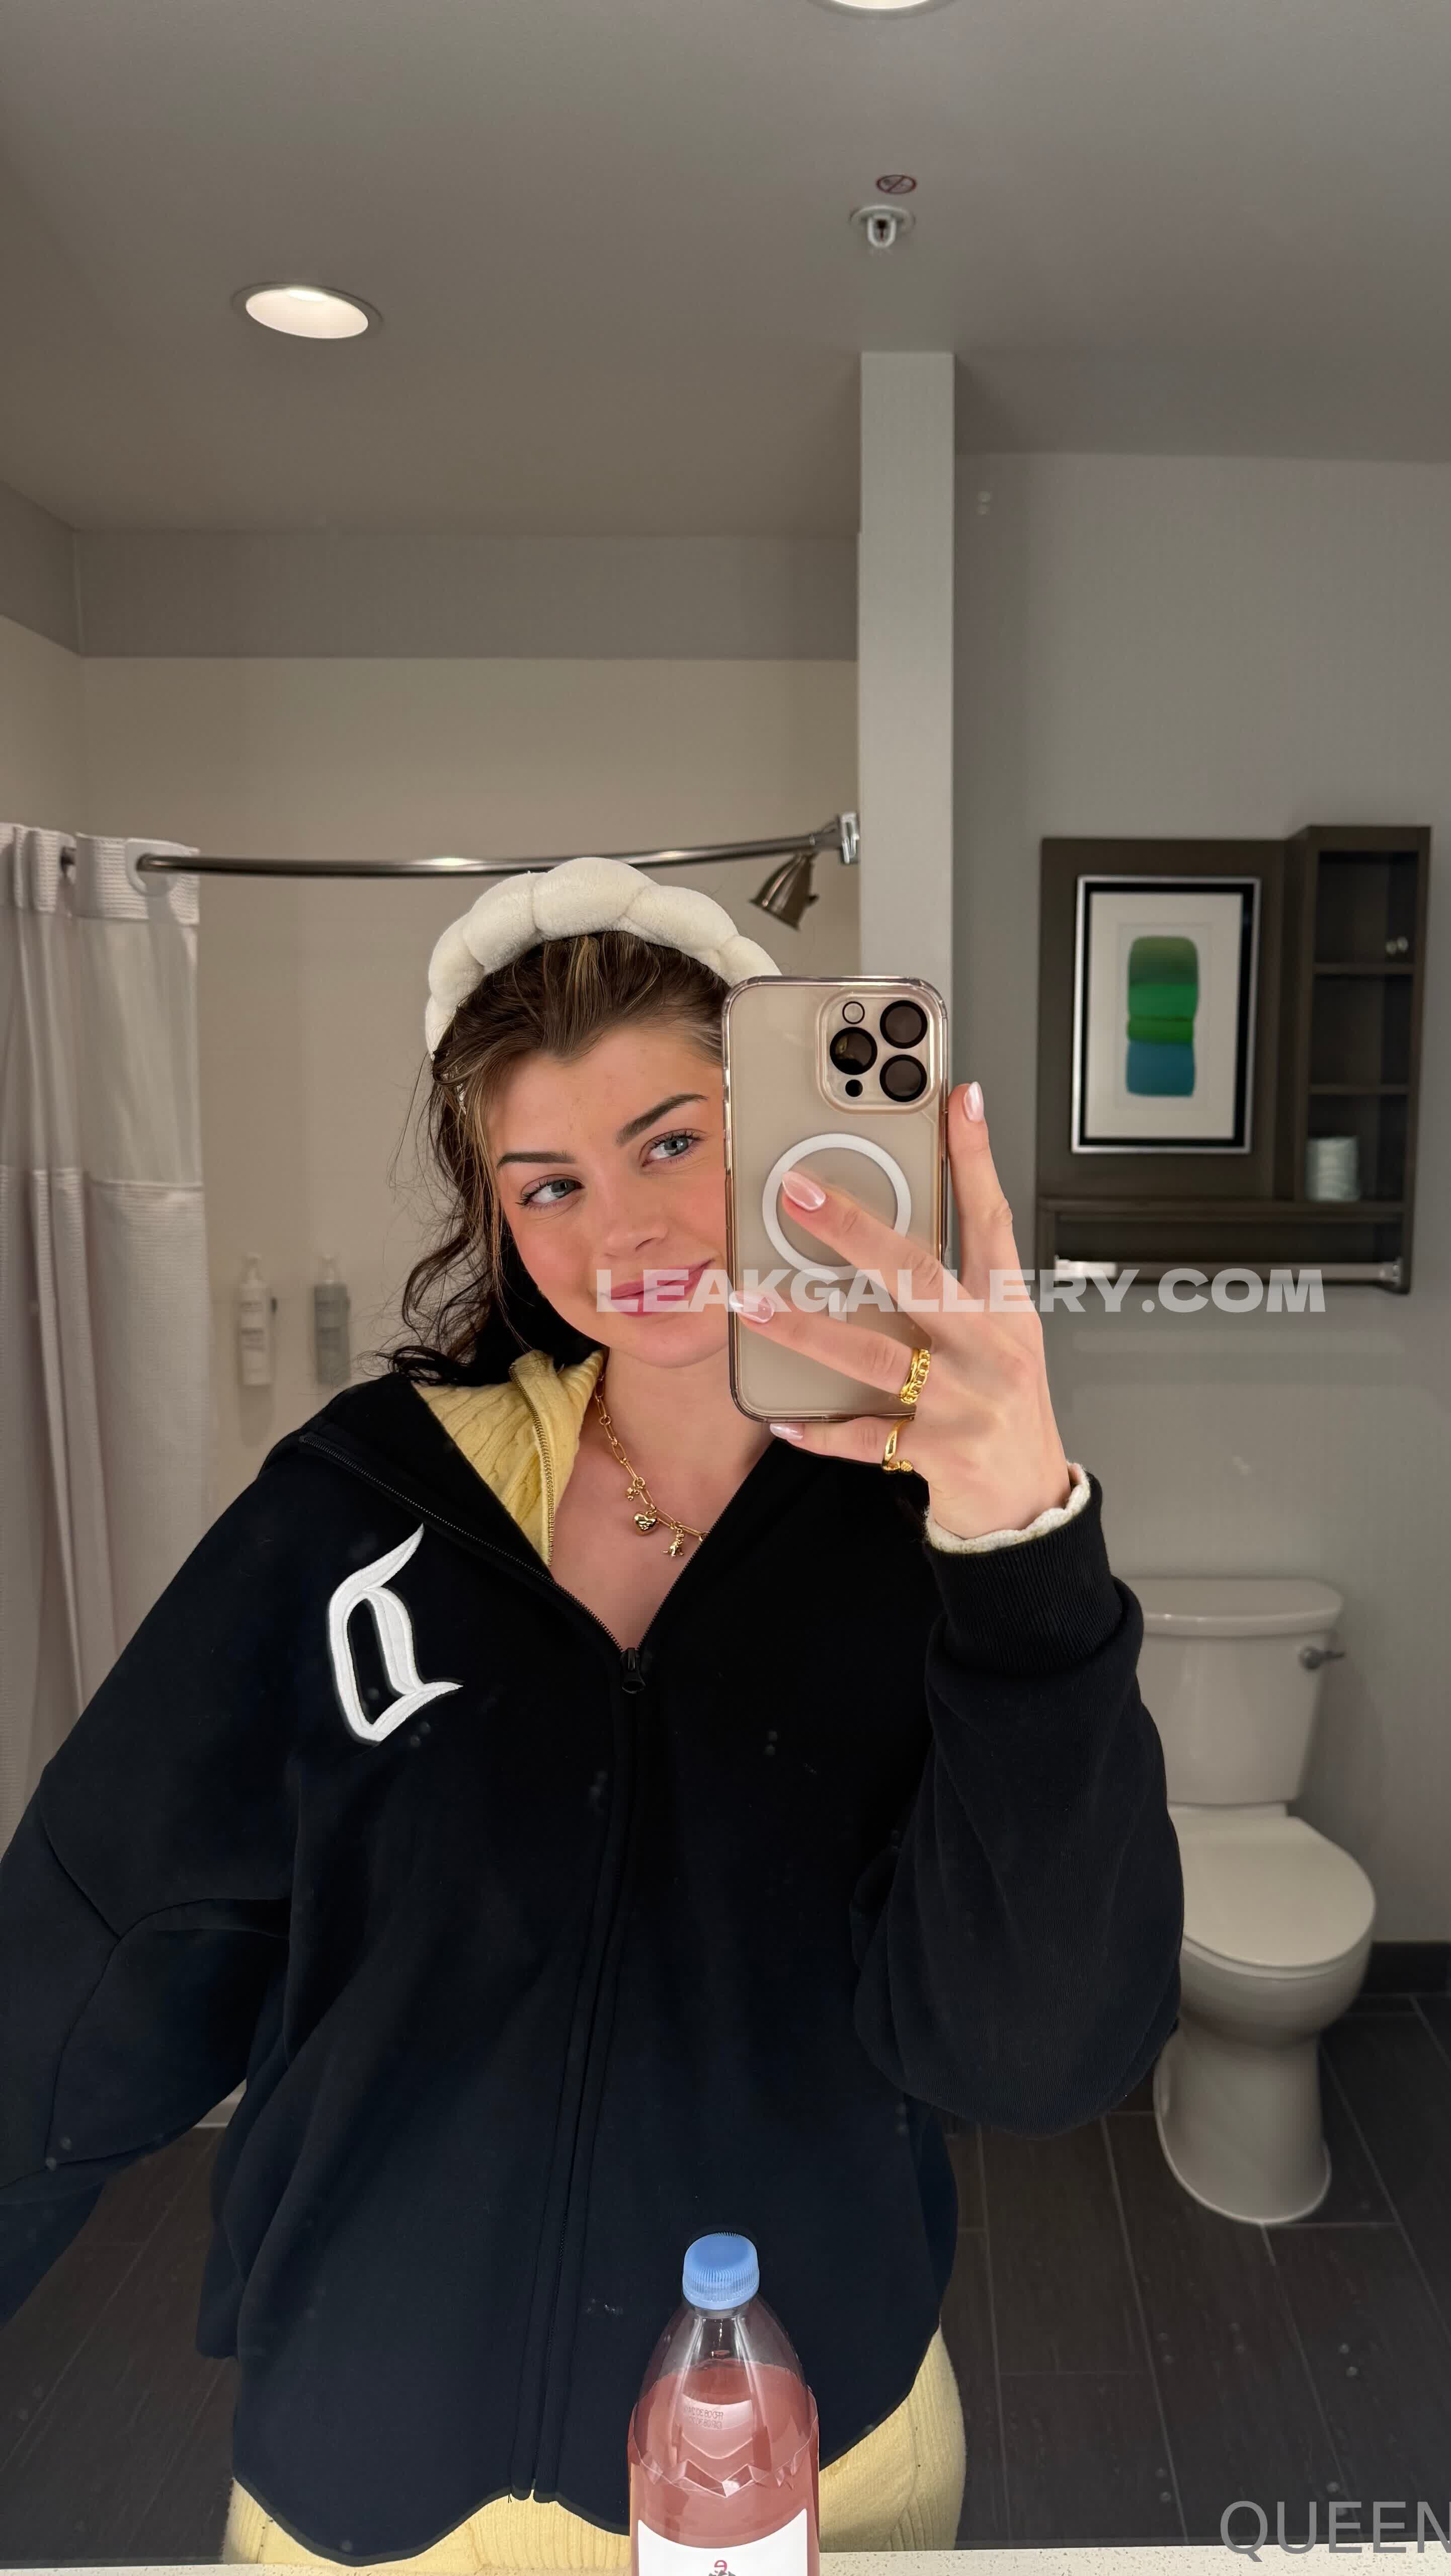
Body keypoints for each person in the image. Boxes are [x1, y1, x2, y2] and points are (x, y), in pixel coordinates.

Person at [0, 859, 1186, 2570]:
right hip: (370, 2479)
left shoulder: (932, 1544)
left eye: (671, 1143)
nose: (618, 1234)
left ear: (773, 1141)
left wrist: (1026, 1549)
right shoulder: (360, 1511)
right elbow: (90, 1948)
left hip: (800, 2463)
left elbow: (1040, 2052)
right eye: (547, 1182)